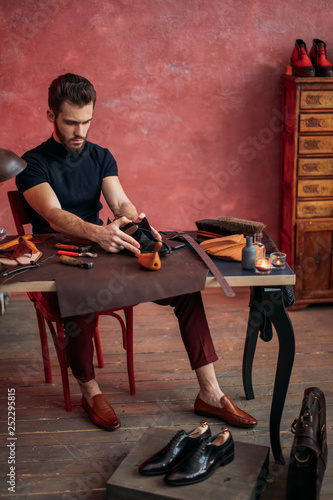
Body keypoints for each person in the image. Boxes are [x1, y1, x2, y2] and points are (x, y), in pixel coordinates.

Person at [16, 73, 257, 431]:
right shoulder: (31, 163)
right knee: (79, 300)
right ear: (51, 115)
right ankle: (90, 390)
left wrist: (136, 221)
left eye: (87, 121)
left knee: (186, 289)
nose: (80, 131)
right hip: (58, 261)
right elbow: (53, 214)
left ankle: (209, 392)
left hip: (105, 249)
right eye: (71, 122)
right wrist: (98, 233)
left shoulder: (100, 157)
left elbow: (121, 202)